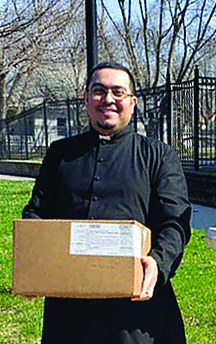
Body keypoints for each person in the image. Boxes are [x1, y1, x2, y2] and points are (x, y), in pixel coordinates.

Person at [22, 61, 191, 344]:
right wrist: (33, 260)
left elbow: (174, 222)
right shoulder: (60, 153)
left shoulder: (159, 156)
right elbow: (37, 211)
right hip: (68, 307)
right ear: (85, 97)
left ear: (133, 102)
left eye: (118, 92)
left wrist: (158, 263)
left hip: (135, 306)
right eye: (99, 91)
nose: (108, 99)